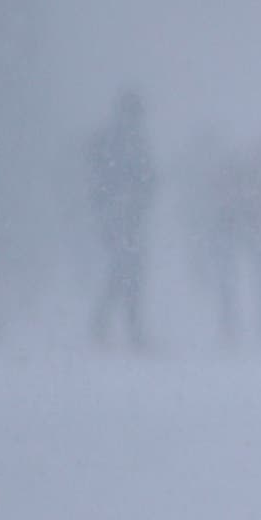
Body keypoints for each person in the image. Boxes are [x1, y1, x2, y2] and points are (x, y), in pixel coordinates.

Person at [191, 136, 261, 347]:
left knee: (253, 278)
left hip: (247, 226)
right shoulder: (246, 169)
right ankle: (238, 327)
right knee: (242, 278)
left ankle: (255, 328)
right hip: (236, 224)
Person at [85, 91, 157, 349]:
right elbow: (104, 180)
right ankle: (125, 328)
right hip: (118, 217)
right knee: (127, 270)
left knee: (127, 270)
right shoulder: (116, 141)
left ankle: (110, 325)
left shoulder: (128, 141)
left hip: (126, 217)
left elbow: (148, 178)